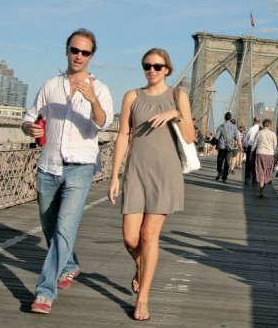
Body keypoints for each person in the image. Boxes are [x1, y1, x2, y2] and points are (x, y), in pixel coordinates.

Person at [22, 28, 114, 315]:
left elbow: (104, 123)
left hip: (80, 167)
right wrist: (30, 127)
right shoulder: (50, 85)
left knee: (64, 227)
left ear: (91, 56)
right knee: (50, 228)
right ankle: (70, 265)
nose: (79, 56)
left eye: (85, 52)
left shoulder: (100, 89)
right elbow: (29, 116)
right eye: (75, 50)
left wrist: (92, 100)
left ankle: (44, 292)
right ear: (67, 51)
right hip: (48, 166)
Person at [107, 48, 194, 322]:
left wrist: (175, 115)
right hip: (136, 171)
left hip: (165, 174)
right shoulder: (132, 96)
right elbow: (123, 136)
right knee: (130, 238)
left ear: (167, 69)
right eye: (147, 66)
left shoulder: (178, 96)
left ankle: (142, 299)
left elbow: (191, 137)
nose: (152, 71)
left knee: (148, 236)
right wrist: (114, 175)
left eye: (157, 66)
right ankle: (142, 265)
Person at [252, 119, 277, 198]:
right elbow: (275, 146)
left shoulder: (259, 133)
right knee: (267, 172)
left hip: (260, 153)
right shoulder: (273, 134)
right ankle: (263, 189)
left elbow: (254, 144)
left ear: (262, 125)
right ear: (270, 125)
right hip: (269, 154)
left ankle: (261, 190)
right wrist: (275, 155)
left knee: (260, 171)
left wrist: (251, 153)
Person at [213, 112, 240, 182]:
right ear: (230, 118)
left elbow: (216, 137)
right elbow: (237, 138)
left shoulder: (221, 126)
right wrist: (240, 147)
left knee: (220, 160)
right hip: (230, 147)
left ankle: (219, 171)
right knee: (227, 162)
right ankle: (224, 177)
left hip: (222, 147)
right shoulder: (234, 127)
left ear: (224, 118)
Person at [243, 117, 261, 184]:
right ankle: (255, 177)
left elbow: (246, 139)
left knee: (248, 162)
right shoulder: (261, 130)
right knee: (257, 162)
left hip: (250, 147)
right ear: (259, 122)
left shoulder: (251, 129)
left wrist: (244, 146)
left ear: (253, 121)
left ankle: (247, 177)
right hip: (258, 148)